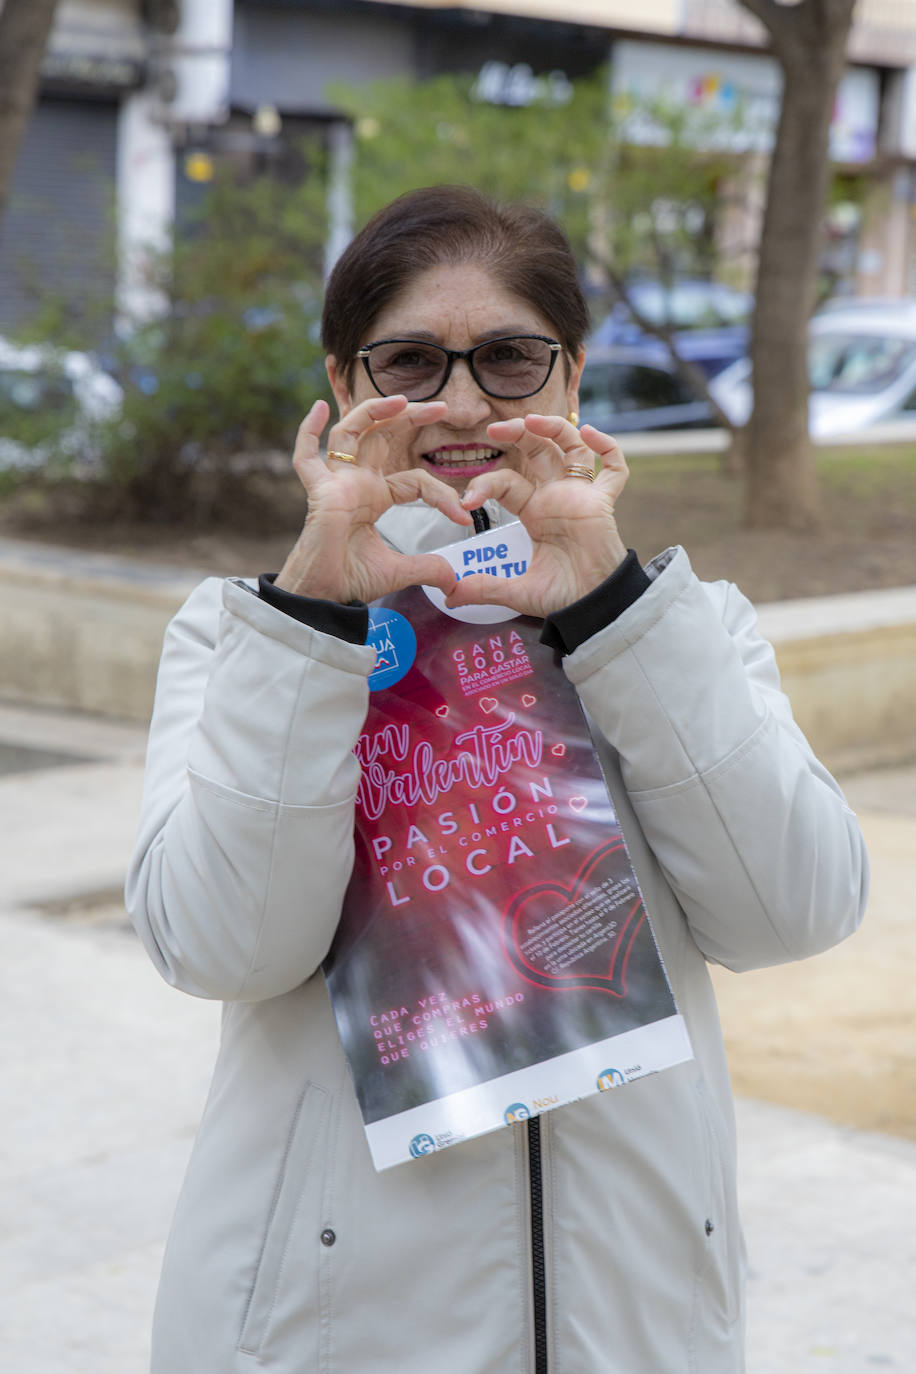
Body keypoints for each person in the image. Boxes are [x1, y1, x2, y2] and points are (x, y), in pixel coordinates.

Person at [126, 185, 868, 1374]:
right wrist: (317, 616)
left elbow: (795, 912)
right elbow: (225, 947)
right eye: (410, 360)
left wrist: (613, 611)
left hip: (635, 1330)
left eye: (510, 359)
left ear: (570, 379)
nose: (462, 402)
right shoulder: (239, 640)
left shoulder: (689, 629)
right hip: (323, 1338)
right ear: (343, 382)